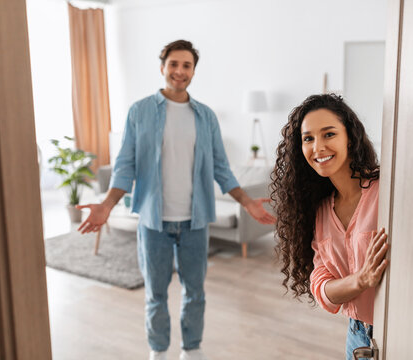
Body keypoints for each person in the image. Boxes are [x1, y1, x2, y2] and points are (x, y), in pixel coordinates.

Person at [77, 40, 275, 360]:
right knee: (155, 294)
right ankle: (158, 351)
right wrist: (107, 205)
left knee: (194, 292)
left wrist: (246, 201)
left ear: (194, 71)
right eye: (174, 64)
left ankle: (191, 349)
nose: (179, 71)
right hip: (154, 223)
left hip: (195, 222)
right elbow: (125, 165)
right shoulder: (140, 112)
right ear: (162, 67)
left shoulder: (206, 116)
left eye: (186, 65)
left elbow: (221, 167)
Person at [270, 93, 389, 360]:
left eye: (329, 134)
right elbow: (321, 287)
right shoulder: (322, 210)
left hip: (395, 332)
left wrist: (348, 284)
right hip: (357, 336)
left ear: (350, 137)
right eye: (308, 138)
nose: (318, 147)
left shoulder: (385, 192)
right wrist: (360, 280)